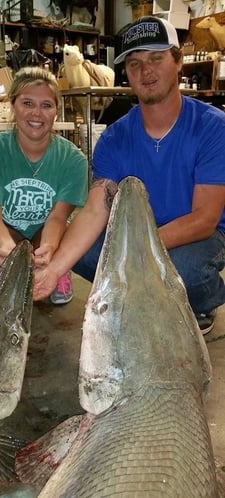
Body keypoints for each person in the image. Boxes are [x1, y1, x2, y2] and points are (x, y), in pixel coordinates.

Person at [33, 16, 225, 334]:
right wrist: (54, 269)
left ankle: (201, 302)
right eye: (134, 63)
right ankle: (144, 288)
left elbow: (204, 219)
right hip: (136, 232)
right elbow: (96, 209)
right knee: (77, 246)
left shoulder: (212, 126)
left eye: (156, 58)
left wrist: (133, 248)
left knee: (186, 269)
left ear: (177, 62)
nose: (145, 71)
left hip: (198, 236)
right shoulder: (114, 137)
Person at [0, 66, 88, 305]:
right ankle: (13, 272)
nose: (36, 114)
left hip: (48, 230)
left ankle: (58, 269)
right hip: (10, 229)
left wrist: (50, 248)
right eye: (27, 103)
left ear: (56, 112)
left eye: (46, 105)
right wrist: (6, 248)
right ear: (12, 106)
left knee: (64, 241)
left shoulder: (73, 159)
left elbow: (58, 218)